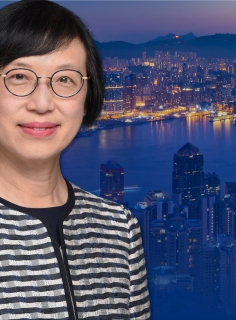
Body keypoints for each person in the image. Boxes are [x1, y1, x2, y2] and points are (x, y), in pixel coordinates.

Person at [0, 1, 150, 319]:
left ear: (86, 99)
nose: (42, 103)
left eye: (65, 80)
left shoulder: (119, 229)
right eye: (19, 77)